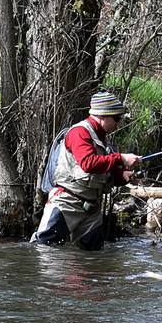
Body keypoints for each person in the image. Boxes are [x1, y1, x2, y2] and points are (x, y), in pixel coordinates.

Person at [32, 91, 143, 250]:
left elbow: (101, 171)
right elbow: (88, 164)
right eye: (117, 118)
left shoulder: (101, 137)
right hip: (66, 203)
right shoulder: (79, 133)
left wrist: (123, 176)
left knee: (93, 257)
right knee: (45, 249)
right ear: (103, 116)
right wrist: (120, 158)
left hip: (91, 210)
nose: (118, 123)